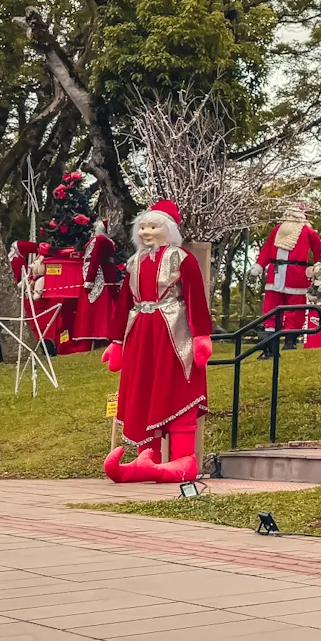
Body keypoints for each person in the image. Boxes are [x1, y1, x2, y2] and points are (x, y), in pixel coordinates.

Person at [102, 200, 214, 483]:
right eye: (142, 227)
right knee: (143, 388)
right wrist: (117, 342)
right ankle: (146, 455)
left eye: (153, 226)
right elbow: (124, 301)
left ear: (169, 229)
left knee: (175, 385)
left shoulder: (181, 259)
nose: (146, 232)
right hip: (140, 332)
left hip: (172, 332)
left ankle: (183, 458)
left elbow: (195, 297)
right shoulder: (134, 262)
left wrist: (201, 335)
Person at [257, 204, 321, 349]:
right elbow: (267, 248)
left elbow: (319, 251)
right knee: (271, 304)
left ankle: (290, 338)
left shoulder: (308, 231)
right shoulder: (277, 230)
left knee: (295, 306)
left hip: (296, 274)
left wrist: (320, 267)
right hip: (275, 273)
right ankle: (270, 338)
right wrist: (260, 265)